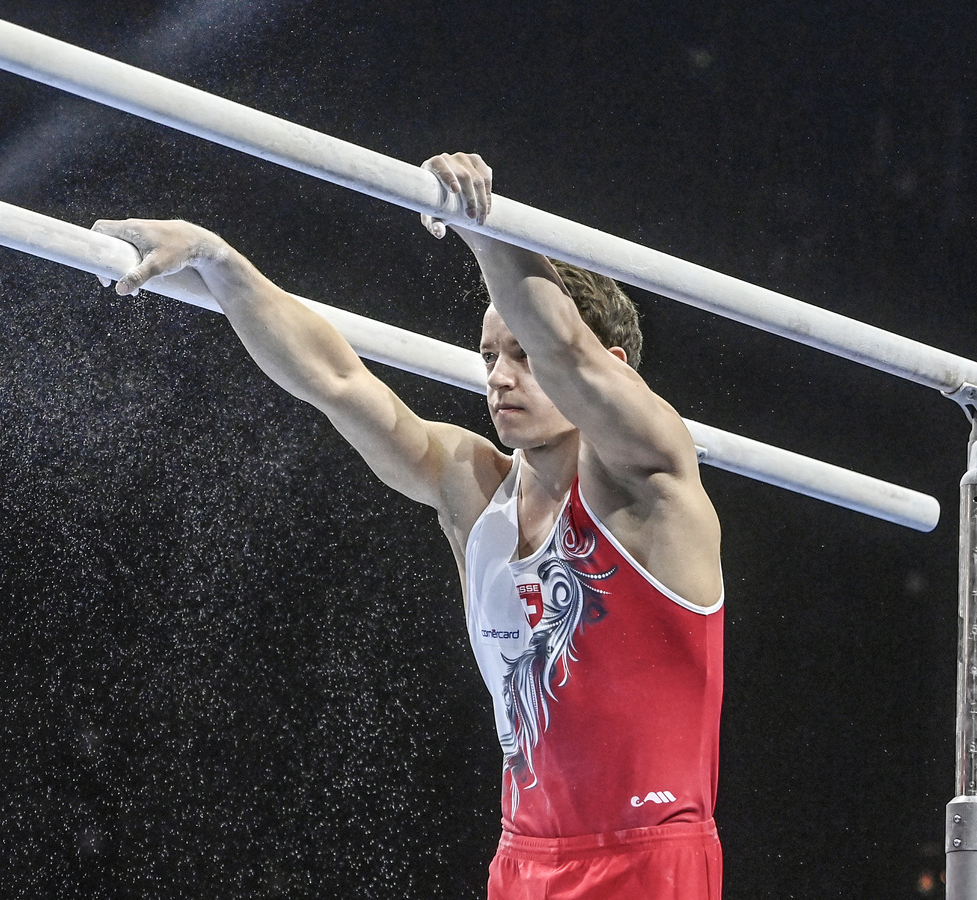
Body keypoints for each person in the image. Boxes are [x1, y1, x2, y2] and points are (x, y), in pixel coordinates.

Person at [93, 152, 725, 900]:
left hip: (645, 859)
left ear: (615, 370)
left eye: (520, 354)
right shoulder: (472, 490)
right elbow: (335, 380)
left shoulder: (653, 480)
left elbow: (571, 350)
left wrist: (480, 225)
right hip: (522, 861)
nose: (499, 376)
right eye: (489, 355)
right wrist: (214, 258)